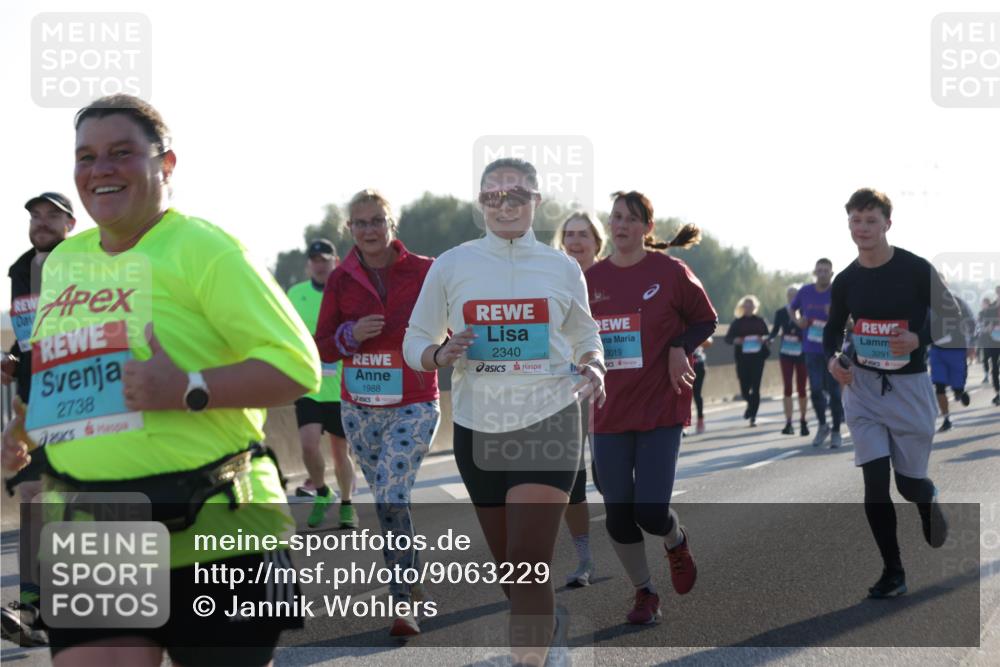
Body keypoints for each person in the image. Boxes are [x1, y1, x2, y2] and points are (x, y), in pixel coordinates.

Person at [1, 94, 320, 667]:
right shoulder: (64, 263)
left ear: (166, 164)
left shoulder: (206, 248)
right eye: (86, 156)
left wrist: (189, 388)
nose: (100, 169)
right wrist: (25, 429)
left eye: (121, 152)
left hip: (218, 531)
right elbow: (63, 368)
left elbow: (297, 367)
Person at [404, 158, 604, 665]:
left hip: (550, 418)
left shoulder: (562, 268)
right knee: (512, 574)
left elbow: (586, 334)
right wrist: (438, 355)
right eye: (493, 196)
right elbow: (415, 339)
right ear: (481, 204)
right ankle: (546, 634)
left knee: (528, 562)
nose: (505, 205)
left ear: (536, 201)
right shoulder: (451, 265)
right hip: (479, 429)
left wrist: (595, 364)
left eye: (516, 195)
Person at [586, 190, 717, 625]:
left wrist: (680, 345)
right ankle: (645, 592)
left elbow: (707, 320)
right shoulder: (590, 279)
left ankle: (675, 538)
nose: (621, 224)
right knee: (618, 516)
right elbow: (572, 334)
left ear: (647, 227)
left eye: (630, 218)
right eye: (616, 217)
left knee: (650, 512)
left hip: (661, 407)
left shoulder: (671, 272)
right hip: (609, 410)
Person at [314, 189, 439, 637]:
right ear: (349, 229)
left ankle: (402, 601)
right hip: (361, 408)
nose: (369, 230)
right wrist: (350, 334)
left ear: (392, 224)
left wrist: (442, 346)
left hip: (414, 402)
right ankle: (411, 575)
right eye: (360, 223)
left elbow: (451, 321)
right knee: (389, 500)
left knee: (391, 493)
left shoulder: (425, 270)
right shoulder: (340, 279)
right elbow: (322, 345)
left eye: (377, 220)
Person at [826, 188, 959, 599]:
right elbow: (833, 330)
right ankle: (893, 571)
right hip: (863, 388)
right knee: (874, 482)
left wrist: (918, 338)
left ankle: (926, 497)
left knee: (908, 484)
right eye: (856, 221)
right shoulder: (846, 280)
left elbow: (952, 317)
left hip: (910, 388)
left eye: (871, 221)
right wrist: (833, 361)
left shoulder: (916, 269)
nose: (862, 228)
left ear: (887, 224)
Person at [0, 192, 76, 648]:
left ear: (70, 223)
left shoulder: (88, 263)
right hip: (33, 401)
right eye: (35, 216)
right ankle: (32, 607)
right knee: (33, 498)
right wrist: (13, 357)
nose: (41, 223)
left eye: (51, 216)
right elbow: (29, 336)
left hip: (81, 396)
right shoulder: (19, 269)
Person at [286, 239, 358, 528]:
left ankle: (347, 505)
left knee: (341, 453)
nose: (319, 265)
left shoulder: (347, 293)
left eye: (325, 260)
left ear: (335, 262)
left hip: (341, 386)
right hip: (309, 384)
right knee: (308, 444)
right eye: (315, 260)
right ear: (308, 265)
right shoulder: (295, 294)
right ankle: (323, 491)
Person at [553, 211, 605, 587]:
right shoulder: (551, 279)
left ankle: (635, 532)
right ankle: (584, 558)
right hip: (566, 391)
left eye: (582, 234)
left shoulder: (613, 279)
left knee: (610, 481)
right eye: (568, 234)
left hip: (615, 392)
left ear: (597, 242)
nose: (574, 241)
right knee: (573, 482)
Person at [792, 258, 844, 448]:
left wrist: (835, 315)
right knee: (815, 390)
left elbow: (850, 320)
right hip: (811, 349)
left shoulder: (837, 292)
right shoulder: (805, 291)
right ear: (815, 273)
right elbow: (792, 309)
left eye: (825, 271)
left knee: (834, 392)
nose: (822, 274)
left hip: (832, 350)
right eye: (819, 271)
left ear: (831, 273)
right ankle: (823, 425)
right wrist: (798, 321)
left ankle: (836, 430)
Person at [929, 295, 975, 432]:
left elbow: (971, 323)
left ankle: (960, 392)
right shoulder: (926, 301)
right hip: (937, 350)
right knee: (939, 385)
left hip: (956, 349)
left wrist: (971, 344)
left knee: (958, 386)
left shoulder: (958, 301)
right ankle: (946, 419)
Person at [769, 286, 809, 436]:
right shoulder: (780, 312)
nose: (792, 298)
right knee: (787, 387)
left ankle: (803, 420)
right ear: (787, 297)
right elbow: (775, 330)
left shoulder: (805, 311)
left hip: (802, 353)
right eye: (790, 295)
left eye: (795, 295)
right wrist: (770, 339)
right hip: (786, 353)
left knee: (802, 387)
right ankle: (789, 422)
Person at [724, 295, 770, 427]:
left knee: (756, 387)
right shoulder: (737, 322)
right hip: (742, 359)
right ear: (742, 307)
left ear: (755, 307)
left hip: (758, 359)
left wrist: (764, 339)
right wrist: (736, 340)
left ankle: (753, 416)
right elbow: (727, 338)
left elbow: (768, 337)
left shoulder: (760, 321)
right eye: (746, 304)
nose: (748, 307)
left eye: (751, 304)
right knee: (744, 390)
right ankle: (751, 404)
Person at [980, 291, 1000, 405]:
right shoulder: (991, 310)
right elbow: (985, 326)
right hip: (994, 342)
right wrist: (990, 327)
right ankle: (998, 393)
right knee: (995, 368)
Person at [692, 338, 712, 434]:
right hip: (681, 362)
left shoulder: (696, 327)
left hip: (698, 363)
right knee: (683, 394)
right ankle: (683, 424)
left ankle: (700, 419)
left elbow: (709, 342)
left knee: (697, 394)